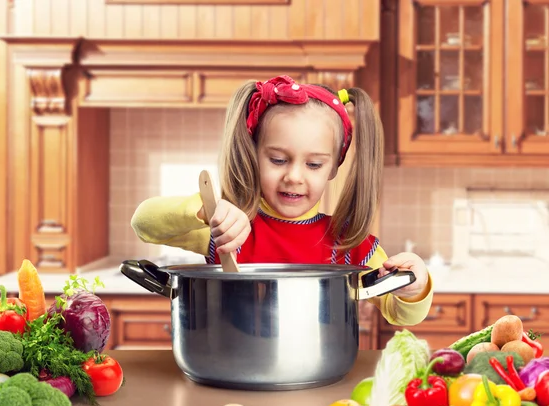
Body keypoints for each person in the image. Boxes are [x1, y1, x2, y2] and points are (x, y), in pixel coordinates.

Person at [130, 75, 433, 326]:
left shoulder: (349, 243)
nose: (294, 177)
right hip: (229, 370)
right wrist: (202, 210)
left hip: (321, 383)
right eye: (278, 160)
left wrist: (415, 288)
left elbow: (399, 314)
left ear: (333, 168)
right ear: (254, 154)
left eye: (314, 165)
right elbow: (144, 223)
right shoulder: (227, 227)